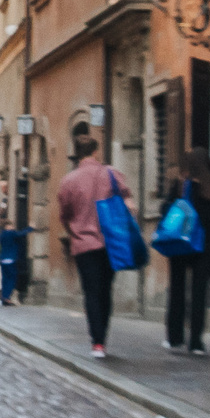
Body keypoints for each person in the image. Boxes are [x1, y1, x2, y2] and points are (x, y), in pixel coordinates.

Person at [54, 136, 130, 358]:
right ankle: (102, 335)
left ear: (77, 153)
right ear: (96, 151)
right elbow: (128, 202)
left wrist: (73, 232)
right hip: (110, 241)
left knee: (91, 291)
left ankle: (97, 342)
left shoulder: (68, 181)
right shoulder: (112, 174)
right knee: (105, 289)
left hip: (84, 244)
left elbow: (64, 215)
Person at [164, 149, 210, 356]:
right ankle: (196, 342)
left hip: (180, 245)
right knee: (200, 293)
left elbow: (166, 211)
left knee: (177, 290)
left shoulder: (182, 187)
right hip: (206, 247)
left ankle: (174, 337)